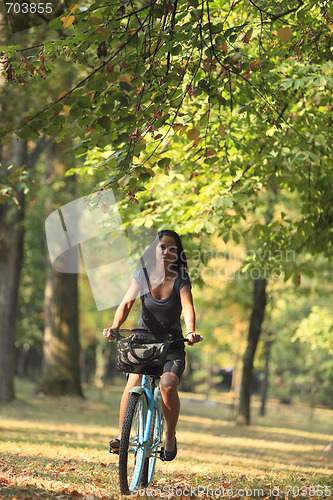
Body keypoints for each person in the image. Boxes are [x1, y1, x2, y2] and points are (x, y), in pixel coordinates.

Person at [103, 229, 201, 461]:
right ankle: (122, 438)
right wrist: (115, 325)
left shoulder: (181, 279)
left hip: (172, 345)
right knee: (132, 382)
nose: (167, 252)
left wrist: (190, 331)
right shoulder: (143, 275)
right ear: (154, 250)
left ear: (178, 254)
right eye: (162, 247)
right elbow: (126, 304)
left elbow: (188, 307)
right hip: (144, 342)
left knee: (167, 385)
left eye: (172, 249)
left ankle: (170, 435)